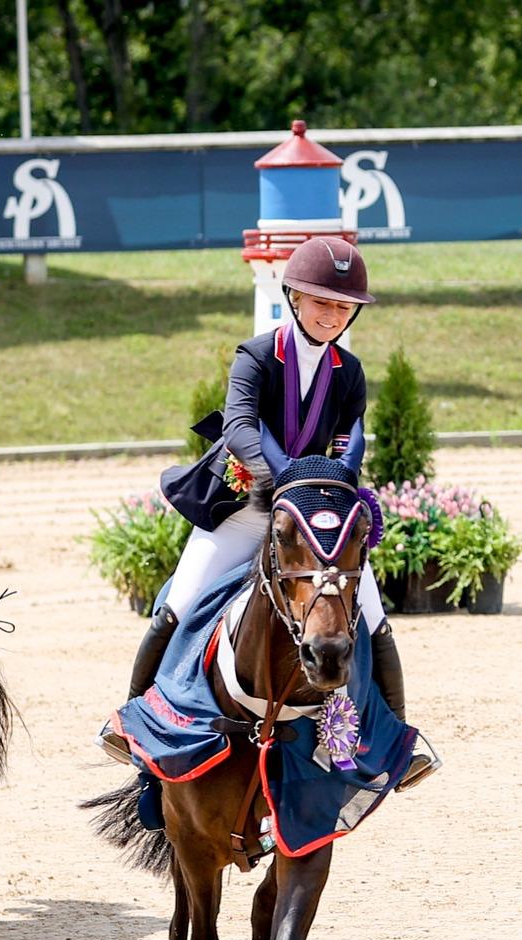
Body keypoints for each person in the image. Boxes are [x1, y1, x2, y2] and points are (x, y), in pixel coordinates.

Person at [100, 237, 416, 762]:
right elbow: (240, 426)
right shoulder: (257, 356)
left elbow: (348, 441)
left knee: (373, 614)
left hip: (310, 522)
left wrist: (334, 482)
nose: (333, 315)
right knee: (180, 602)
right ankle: (135, 721)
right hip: (246, 509)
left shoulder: (350, 372)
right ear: (294, 297)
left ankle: (397, 740)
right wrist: (281, 476)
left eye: (343, 306)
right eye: (322, 302)